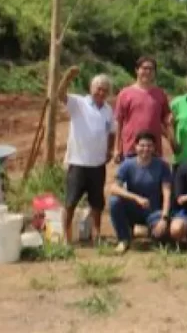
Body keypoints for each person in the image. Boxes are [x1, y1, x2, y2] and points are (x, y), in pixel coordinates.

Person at [57, 67, 114, 244]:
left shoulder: (107, 109)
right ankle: (66, 237)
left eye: (105, 89)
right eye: (98, 88)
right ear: (91, 88)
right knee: (71, 201)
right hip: (78, 162)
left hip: (97, 164)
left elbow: (112, 132)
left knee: (97, 203)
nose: (101, 92)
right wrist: (66, 78)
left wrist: (110, 150)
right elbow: (60, 95)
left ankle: (97, 235)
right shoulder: (78, 103)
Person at [109, 131, 172, 254]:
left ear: (154, 148)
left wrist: (164, 218)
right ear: (136, 147)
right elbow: (113, 188)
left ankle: (145, 232)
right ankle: (124, 239)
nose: (145, 149)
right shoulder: (127, 164)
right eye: (142, 145)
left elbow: (167, 193)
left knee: (161, 237)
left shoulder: (162, 165)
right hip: (134, 209)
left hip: (154, 211)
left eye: (149, 146)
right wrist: (136, 198)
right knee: (114, 201)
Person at [113, 56, 171, 160]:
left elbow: (166, 120)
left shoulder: (160, 94)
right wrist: (117, 148)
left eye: (151, 69)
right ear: (137, 70)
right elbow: (119, 123)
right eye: (144, 68)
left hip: (154, 149)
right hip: (131, 148)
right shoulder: (125, 93)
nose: (147, 72)